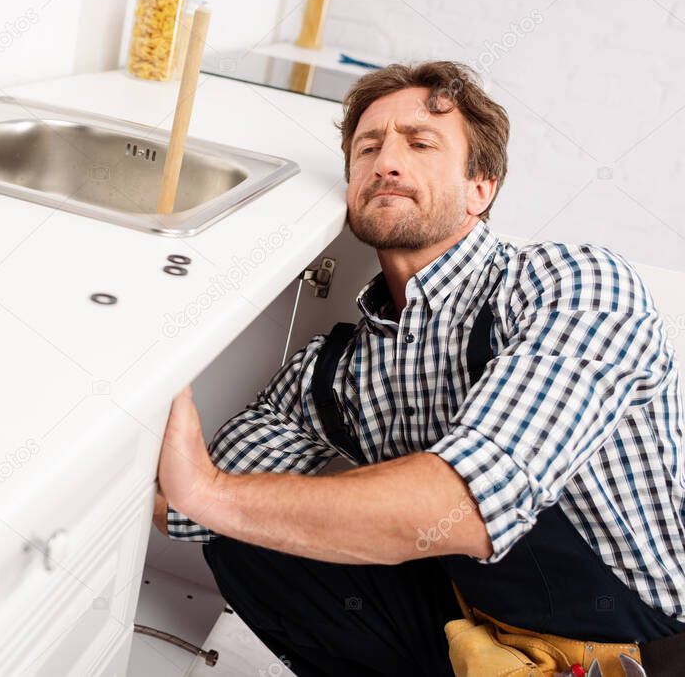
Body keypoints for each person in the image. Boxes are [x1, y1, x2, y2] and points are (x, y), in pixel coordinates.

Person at [153, 60, 685, 676]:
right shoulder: (337, 374)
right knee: (243, 537)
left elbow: (476, 498)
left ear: (480, 187)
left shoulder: (571, 284)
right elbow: (189, 503)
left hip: (650, 646)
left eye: (421, 142)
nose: (385, 161)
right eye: (367, 147)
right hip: (481, 636)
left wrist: (208, 493)